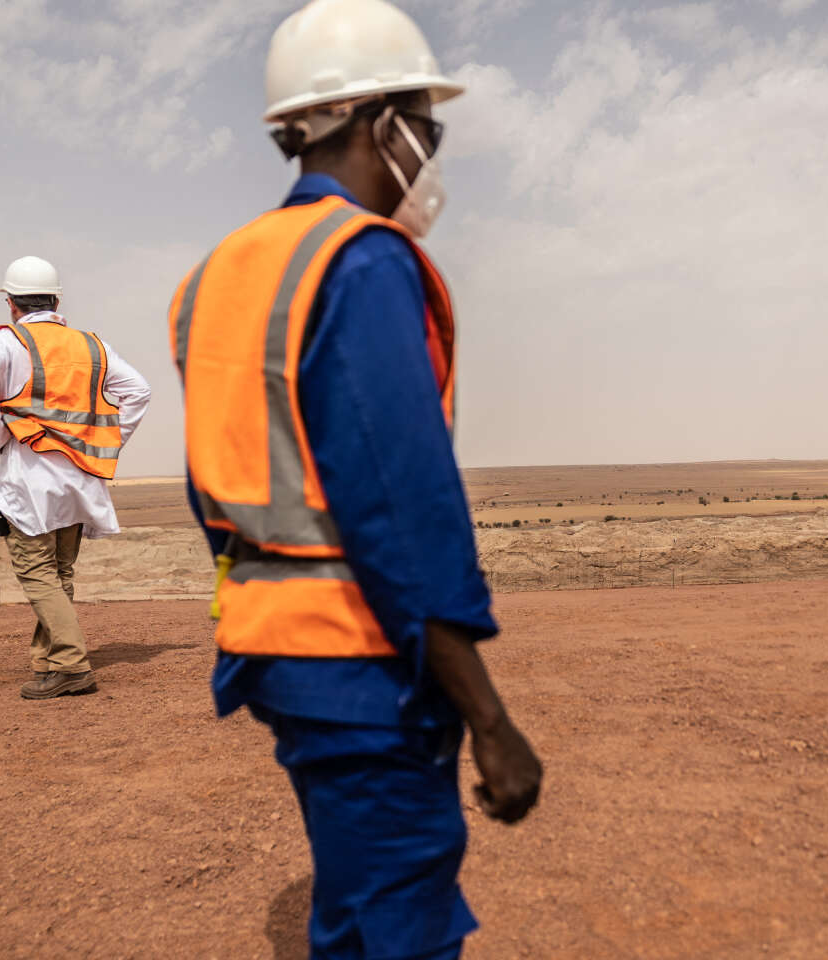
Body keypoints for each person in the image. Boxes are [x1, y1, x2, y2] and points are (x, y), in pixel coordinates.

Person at [168, 0, 542, 956]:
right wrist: (489, 719)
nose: (432, 148)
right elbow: (400, 507)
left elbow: (214, 486)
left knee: (355, 902)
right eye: (429, 124)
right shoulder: (364, 262)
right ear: (380, 123)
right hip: (365, 662)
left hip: (271, 650)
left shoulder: (219, 274)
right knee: (399, 923)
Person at [0, 255, 152, 700]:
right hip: (81, 478)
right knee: (60, 571)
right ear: (55, 299)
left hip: (32, 475)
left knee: (36, 571)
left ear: (11, 303)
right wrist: (105, 440)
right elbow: (138, 391)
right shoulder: (90, 344)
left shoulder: (6, 341)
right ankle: (48, 663)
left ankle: (69, 665)